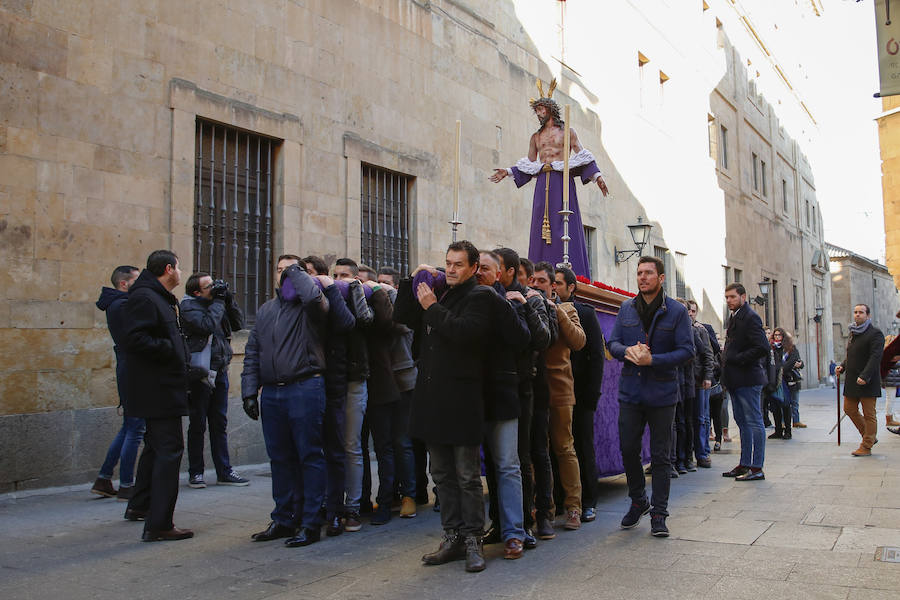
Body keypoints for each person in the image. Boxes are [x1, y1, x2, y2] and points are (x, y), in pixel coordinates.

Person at [395, 241, 493, 573]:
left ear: (473, 268)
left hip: (462, 400)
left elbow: (465, 334)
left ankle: (473, 539)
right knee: (441, 475)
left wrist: (432, 307)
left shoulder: (480, 297)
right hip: (432, 399)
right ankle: (452, 536)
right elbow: (401, 317)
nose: (450, 269)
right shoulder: (440, 293)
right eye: (448, 263)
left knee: (466, 476)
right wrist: (411, 280)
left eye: (458, 264)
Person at [242, 255, 330, 547]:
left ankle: (311, 522)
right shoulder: (266, 309)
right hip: (273, 393)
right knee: (280, 458)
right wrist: (249, 390)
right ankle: (284, 518)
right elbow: (253, 351)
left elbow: (313, 297)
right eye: (280, 270)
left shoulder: (311, 305)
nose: (284, 275)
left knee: (309, 456)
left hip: (305, 387)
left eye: (291, 270)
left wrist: (297, 273)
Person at [608, 256, 693, 538]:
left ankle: (659, 513)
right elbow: (613, 343)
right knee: (628, 449)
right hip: (631, 391)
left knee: (660, 455)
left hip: (662, 393)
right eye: (639, 273)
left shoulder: (677, 311)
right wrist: (627, 352)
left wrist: (653, 360)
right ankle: (638, 500)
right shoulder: (626, 308)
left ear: (661, 278)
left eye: (648, 273)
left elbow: (687, 351)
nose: (642, 277)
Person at [489, 79, 608, 278]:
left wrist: (597, 176)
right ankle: (539, 272)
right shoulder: (536, 137)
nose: (538, 114)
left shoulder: (568, 132)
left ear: (550, 110)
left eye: (541, 110)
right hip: (542, 182)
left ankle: (572, 272)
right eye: (536, 111)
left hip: (562, 182)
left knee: (566, 221)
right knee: (540, 225)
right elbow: (529, 164)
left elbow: (582, 155)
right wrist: (508, 171)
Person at [122, 250, 193, 541]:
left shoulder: (156, 297)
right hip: (159, 388)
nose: (180, 273)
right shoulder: (145, 298)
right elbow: (135, 339)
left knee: (155, 447)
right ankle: (159, 523)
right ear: (168, 269)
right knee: (169, 450)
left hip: (161, 386)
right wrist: (170, 350)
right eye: (178, 267)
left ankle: (140, 505)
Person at [492, 247, 550, 549]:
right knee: (494, 460)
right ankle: (498, 522)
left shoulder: (531, 298)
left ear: (510, 271)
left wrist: (525, 306)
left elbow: (543, 339)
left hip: (522, 385)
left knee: (519, 457)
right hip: (492, 385)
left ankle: (525, 523)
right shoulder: (488, 295)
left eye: (496, 267)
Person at [477, 251, 530, 560]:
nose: (479, 273)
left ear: (498, 274)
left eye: (485, 268)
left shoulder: (510, 302)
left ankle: (514, 533)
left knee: (508, 465)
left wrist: (502, 304)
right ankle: (487, 527)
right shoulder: (465, 300)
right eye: (477, 268)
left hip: (504, 393)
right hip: (471, 395)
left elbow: (522, 339)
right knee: (476, 469)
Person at [302, 255, 358, 536]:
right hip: (306, 385)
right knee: (309, 452)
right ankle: (312, 508)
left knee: (336, 450)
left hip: (333, 383)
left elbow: (347, 323)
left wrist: (332, 289)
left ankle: (337, 509)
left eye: (308, 274)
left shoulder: (335, 298)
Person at [180, 272, 248, 488]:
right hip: (200, 373)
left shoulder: (217, 303)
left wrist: (228, 299)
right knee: (198, 424)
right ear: (196, 292)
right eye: (209, 286)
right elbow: (207, 325)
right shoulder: (188, 306)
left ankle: (224, 471)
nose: (215, 288)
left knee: (219, 423)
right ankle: (196, 473)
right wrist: (218, 301)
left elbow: (238, 324)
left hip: (220, 370)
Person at [532, 261, 586, 531]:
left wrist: (557, 312)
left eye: (541, 281)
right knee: (536, 451)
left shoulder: (568, 309)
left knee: (564, 448)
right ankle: (543, 508)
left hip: (559, 389)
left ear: (553, 286)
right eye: (532, 280)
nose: (535, 285)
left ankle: (574, 507)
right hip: (534, 390)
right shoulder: (526, 306)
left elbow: (578, 341)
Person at [554, 266, 604, 523]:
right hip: (557, 392)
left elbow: (596, 355)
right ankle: (559, 499)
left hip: (581, 393)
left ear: (571, 287)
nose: (554, 287)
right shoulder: (545, 309)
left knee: (582, 447)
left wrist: (592, 394)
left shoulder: (585, 313)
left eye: (558, 283)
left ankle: (588, 501)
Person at [92, 265, 145, 501]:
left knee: (129, 427)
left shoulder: (118, 304)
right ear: (124, 284)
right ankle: (126, 485)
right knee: (135, 428)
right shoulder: (122, 306)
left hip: (128, 369)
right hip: (133, 371)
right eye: (136, 280)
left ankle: (104, 479)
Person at [332, 258, 375, 531]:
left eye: (344, 276)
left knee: (351, 446)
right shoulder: (328, 299)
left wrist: (356, 289)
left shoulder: (362, 300)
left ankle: (353, 506)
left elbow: (364, 320)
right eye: (335, 275)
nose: (339, 281)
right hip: (330, 379)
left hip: (353, 380)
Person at [378, 266, 419, 519]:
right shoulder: (375, 308)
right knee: (384, 444)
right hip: (381, 382)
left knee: (402, 442)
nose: (380, 287)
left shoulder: (403, 310)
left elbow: (401, 325)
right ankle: (389, 494)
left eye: (386, 284)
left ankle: (409, 495)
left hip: (403, 381)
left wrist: (391, 295)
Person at [721, 283, 770, 481]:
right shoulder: (735, 316)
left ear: (743, 296)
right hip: (735, 379)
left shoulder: (750, 317)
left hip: (748, 378)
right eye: (727, 297)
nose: (729, 300)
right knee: (742, 422)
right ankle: (745, 463)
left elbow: (762, 347)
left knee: (754, 422)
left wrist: (737, 358)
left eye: (732, 297)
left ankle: (757, 467)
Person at [836, 304, 885, 457]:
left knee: (869, 414)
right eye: (855, 312)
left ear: (868, 315)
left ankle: (866, 445)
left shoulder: (875, 334)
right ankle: (869, 436)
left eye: (861, 312)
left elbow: (875, 357)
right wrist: (842, 366)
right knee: (849, 409)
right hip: (852, 380)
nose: (857, 314)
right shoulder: (853, 332)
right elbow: (851, 355)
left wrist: (865, 376)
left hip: (867, 380)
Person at [766, 329, 789, 440]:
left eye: (779, 335)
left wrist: (781, 368)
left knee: (786, 406)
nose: (777, 337)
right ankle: (778, 430)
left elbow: (794, 360)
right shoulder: (771, 348)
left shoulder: (789, 348)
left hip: (785, 381)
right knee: (775, 407)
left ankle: (788, 431)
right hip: (773, 380)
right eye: (775, 335)